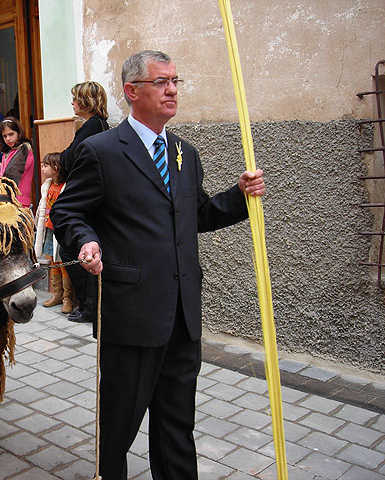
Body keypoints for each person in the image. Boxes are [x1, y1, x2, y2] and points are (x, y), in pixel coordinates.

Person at [51, 50, 266, 479]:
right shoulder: (102, 151)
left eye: (175, 81)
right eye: (161, 82)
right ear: (132, 92)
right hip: (130, 315)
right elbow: (67, 213)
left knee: (176, 428)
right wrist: (87, 241)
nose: (172, 89)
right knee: (118, 429)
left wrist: (238, 196)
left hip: (183, 316)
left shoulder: (185, 153)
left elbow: (196, 214)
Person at [60, 81, 110, 324]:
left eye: (76, 99)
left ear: (86, 102)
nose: (73, 103)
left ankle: (89, 306)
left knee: (73, 251)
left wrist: (63, 158)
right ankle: (88, 305)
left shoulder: (91, 128)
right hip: (93, 195)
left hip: (88, 198)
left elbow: (70, 159)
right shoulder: (97, 125)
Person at [34, 152, 74, 313]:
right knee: (53, 262)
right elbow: (41, 208)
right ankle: (57, 294)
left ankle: (67, 298)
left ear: (56, 169)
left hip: (61, 231)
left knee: (63, 263)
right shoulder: (46, 186)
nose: (42, 168)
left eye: (45, 165)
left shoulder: (65, 187)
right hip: (49, 230)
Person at [0, 117, 34, 208]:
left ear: (19, 133)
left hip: (19, 201)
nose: (8, 139)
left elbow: (9, 178)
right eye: (4, 136)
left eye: (11, 134)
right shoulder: (7, 152)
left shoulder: (24, 150)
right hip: (8, 199)